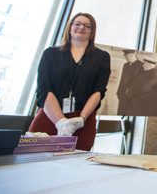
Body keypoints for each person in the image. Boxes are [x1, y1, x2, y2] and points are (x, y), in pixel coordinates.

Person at [28, 12, 111, 151]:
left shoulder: (102, 57)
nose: (81, 27)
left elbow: (99, 91)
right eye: (77, 24)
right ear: (70, 26)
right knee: (31, 161)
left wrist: (81, 119)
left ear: (92, 31)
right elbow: (43, 88)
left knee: (74, 166)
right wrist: (60, 122)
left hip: (82, 121)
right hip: (49, 115)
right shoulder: (50, 53)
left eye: (87, 26)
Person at [116, 50, 143, 115]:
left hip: (133, 95)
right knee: (121, 112)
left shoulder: (141, 65)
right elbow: (122, 80)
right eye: (125, 56)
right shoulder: (125, 65)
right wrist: (119, 92)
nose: (125, 58)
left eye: (126, 56)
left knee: (129, 113)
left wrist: (131, 91)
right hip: (122, 94)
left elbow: (140, 82)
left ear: (132, 55)